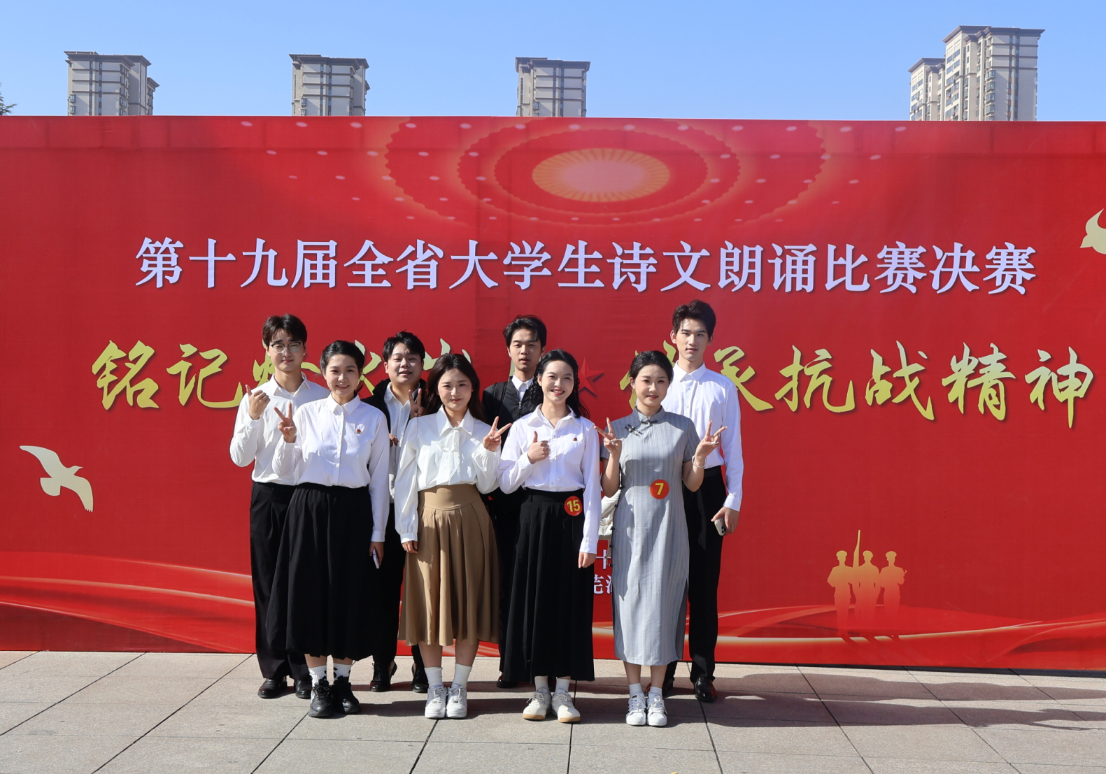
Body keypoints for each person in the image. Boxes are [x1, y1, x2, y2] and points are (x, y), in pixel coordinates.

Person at [599, 351, 724, 728]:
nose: (653, 388)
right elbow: (609, 488)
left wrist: (699, 459)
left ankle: (656, 694)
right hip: (631, 528)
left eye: (661, 381)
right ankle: (634, 693)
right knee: (630, 608)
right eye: (646, 380)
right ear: (632, 383)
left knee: (664, 607)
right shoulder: (619, 428)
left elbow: (692, 484)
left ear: (668, 385)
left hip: (670, 528)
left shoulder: (682, 427)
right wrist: (612, 456)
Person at [267, 340, 390, 718]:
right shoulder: (305, 414)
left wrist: (378, 534)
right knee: (311, 597)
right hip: (309, 511)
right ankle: (319, 683)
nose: (342, 378)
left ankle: (343, 683)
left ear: (361, 375)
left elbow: (379, 481)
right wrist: (288, 441)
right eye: (335, 370)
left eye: (350, 370)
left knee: (348, 596)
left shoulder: (373, 418)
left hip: (354, 514)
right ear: (323, 373)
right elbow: (284, 469)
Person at [396, 354, 513, 719]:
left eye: (462, 384)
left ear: (473, 388)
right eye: (447, 385)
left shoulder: (484, 430)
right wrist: (406, 528)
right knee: (429, 607)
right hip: (428, 521)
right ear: (436, 389)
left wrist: (489, 452)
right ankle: (435, 687)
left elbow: (488, 485)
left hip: (472, 521)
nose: (455, 392)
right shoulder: (418, 427)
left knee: (468, 606)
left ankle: (459, 687)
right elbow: (405, 482)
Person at [498, 350, 600, 723]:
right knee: (536, 602)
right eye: (552, 377)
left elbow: (593, 488)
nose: (559, 384)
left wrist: (589, 541)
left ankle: (564, 692)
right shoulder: (522, 427)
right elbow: (505, 484)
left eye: (567, 378)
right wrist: (528, 458)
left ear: (575, 384)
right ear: (539, 379)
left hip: (572, 516)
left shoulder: (585, 429)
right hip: (533, 517)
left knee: (570, 604)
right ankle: (540, 690)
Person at [229, 314, 328, 700]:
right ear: (266, 350)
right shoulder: (255, 398)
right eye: (278, 345)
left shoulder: (320, 397)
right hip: (268, 497)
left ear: (305, 349)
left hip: (307, 497)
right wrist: (254, 418)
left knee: (304, 585)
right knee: (268, 583)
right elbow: (240, 457)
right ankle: (274, 670)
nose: (286, 352)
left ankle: (305, 670)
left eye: (293, 345)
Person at [660, 300, 743, 703]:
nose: (691, 341)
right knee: (666, 585)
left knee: (704, 585)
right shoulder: (659, 382)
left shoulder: (722, 387)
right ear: (672, 336)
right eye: (685, 333)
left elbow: (734, 449)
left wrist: (733, 498)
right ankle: (662, 671)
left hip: (709, 490)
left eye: (700, 334)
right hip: (665, 487)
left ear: (710, 340)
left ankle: (703, 672)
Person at [481, 315, 546, 688]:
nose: (525, 351)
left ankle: (538, 662)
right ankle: (509, 662)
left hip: (542, 503)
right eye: (518, 344)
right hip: (503, 505)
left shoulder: (552, 387)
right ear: (508, 349)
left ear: (542, 349)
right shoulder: (492, 394)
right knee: (507, 585)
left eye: (532, 344)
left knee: (539, 585)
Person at [363, 331, 428, 693]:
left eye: (412, 358)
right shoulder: (369, 406)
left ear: (422, 364)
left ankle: (423, 664)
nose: (405, 364)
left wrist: (420, 424)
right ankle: (382, 662)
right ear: (385, 364)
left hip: (424, 511)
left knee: (423, 593)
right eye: (398, 358)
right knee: (381, 593)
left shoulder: (439, 403)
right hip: (383, 511)